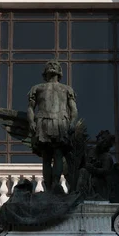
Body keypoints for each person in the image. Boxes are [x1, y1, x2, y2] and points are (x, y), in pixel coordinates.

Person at [27, 60, 78, 193]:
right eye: (49, 65)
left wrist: (72, 124)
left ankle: (55, 184)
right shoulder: (37, 88)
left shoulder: (67, 89)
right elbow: (31, 108)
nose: (52, 66)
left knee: (58, 154)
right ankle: (48, 187)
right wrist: (31, 122)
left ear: (60, 71)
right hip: (43, 121)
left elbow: (73, 109)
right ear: (45, 72)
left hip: (61, 122)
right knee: (46, 156)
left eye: (55, 65)